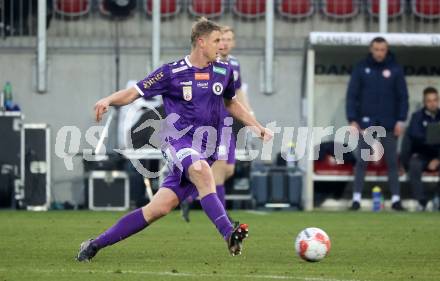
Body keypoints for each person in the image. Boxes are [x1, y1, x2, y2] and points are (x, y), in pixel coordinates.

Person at [76, 18, 273, 261]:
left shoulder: (224, 72)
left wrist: (257, 127)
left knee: (157, 209)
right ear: (201, 42)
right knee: (201, 170)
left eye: (222, 41)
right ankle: (228, 233)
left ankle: (94, 244)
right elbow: (133, 92)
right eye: (216, 41)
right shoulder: (171, 72)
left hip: (205, 147)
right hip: (177, 142)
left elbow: (231, 103)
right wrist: (107, 99)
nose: (221, 46)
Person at [180, 25, 254, 222]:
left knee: (229, 169)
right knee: (219, 170)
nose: (225, 43)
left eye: (229, 40)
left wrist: (249, 115)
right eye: (222, 39)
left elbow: (237, 93)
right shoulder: (210, 64)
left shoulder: (234, 65)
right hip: (215, 124)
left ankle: (189, 196)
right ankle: (224, 219)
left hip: (229, 123)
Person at [346, 37, 409, 211]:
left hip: (389, 125)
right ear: (371, 49)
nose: (380, 53)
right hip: (366, 124)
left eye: (383, 49)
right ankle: (356, 199)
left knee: (392, 162)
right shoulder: (361, 68)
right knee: (362, 161)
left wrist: (401, 120)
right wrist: (352, 119)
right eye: (376, 49)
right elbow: (352, 96)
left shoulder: (395, 69)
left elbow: (403, 97)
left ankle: (396, 199)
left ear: (386, 50)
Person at [403, 87, 440, 211]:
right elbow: (415, 138)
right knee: (414, 165)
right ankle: (421, 201)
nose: (432, 103)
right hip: (422, 155)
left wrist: (437, 159)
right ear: (424, 102)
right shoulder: (417, 117)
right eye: (429, 101)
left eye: (435, 100)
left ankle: (437, 198)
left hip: (438, 155)